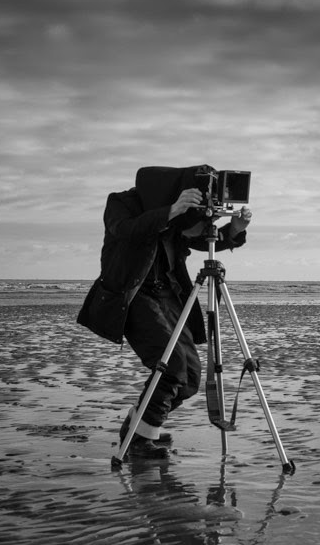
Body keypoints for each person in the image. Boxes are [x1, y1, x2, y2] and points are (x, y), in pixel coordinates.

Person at [77, 165, 252, 459]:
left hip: (168, 296)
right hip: (132, 296)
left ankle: (140, 425)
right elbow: (126, 230)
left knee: (192, 376)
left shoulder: (177, 215)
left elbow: (199, 238)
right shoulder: (122, 202)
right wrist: (171, 210)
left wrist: (233, 230)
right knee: (172, 367)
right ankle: (140, 440)